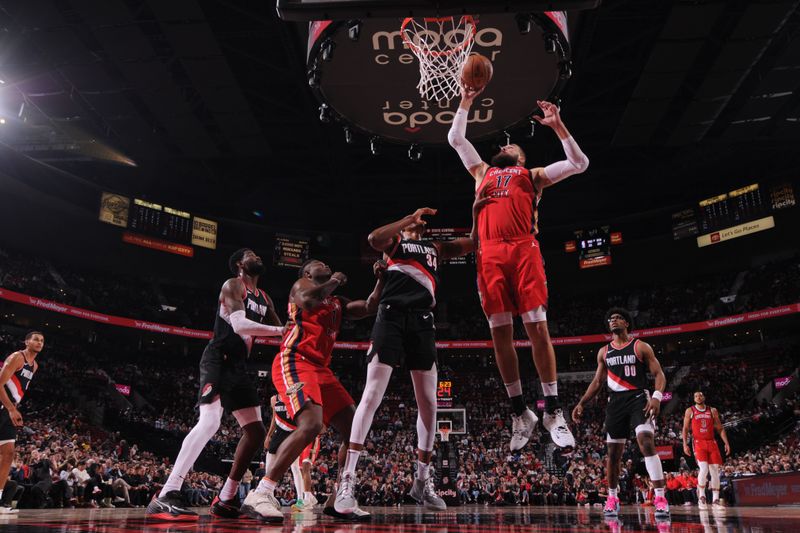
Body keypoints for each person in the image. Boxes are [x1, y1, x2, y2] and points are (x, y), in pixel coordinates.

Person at [448, 88, 590, 450]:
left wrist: (558, 127)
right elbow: (455, 137)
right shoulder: (481, 172)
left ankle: (552, 410)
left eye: (515, 149)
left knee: (537, 329)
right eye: (504, 148)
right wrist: (466, 100)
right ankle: (519, 412)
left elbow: (579, 164)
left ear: (522, 157)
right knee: (500, 335)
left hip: (524, 249)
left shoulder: (532, 176)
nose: (507, 147)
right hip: (489, 254)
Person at [335, 206, 475, 514]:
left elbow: (475, 241)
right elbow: (374, 238)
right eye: (417, 223)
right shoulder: (394, 243)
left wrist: (482, 208)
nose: (422, 225)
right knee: (371, 395)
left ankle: (422, 482)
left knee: (430, 403)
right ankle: (348, 480)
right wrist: (408, 219)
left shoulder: (436, 248)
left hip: (424, 321)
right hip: (391, 318)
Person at [146, 248, 284, 521]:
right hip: (218, 358)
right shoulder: (233, 285)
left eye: (259, 253)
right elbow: (240, 325)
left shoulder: (265, 297)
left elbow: (283, 334)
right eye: (251, 254)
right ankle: (166, 493)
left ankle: (227, 497)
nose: (257, 256)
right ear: (239, 264)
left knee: (255, 433)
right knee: (210, 422)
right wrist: (284, 331)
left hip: (239, 367)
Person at [243, 259, 385, 522]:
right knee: (310, 424)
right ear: (307, 272)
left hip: (321, 369)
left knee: (355, 429)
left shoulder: (336, 301)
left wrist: (381, 278)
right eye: (316, 263)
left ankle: (339, 498)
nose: (324, 263)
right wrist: (335, 281)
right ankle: (262, 491)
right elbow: (309, 301)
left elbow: (368, 307)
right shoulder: (302, 286)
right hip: (295, 359)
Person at [571, 308, 670, 519]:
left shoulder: (640, 346)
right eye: (610, 319)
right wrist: (581, 403)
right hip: (615, 402)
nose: (612, 321)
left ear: (626, 323)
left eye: (617, 318)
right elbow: (597, 382)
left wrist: (657, 396)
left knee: (646, 441)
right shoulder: (604, 352)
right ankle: (612, 497)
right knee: (613, 455)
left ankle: (660, 497)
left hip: (638, 398)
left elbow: (659, 374)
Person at [0, 331, 44, 516]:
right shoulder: (17, 357)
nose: (39, 342)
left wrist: (13, 409)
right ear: (26, 341)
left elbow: (16, 390)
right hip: (3, 407)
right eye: (35, 339)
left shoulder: (34, 366)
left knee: (8, 455)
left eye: (42, 341)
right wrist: (11, 408)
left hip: (9, 410)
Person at [262, 393, 319, 510]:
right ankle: (268, 496)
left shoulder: (297, 397)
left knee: (295, 468)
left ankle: (300, 499)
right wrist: (268, 435)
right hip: (279, 433)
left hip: (293, 433)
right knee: (269, 465)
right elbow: (274, 418)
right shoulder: (274, 399)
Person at [682, 391, 730, 509]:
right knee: (703, 468)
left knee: (714, 471)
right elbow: (685, 428)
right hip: (698, 442)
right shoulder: (690, 410)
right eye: (696, 396)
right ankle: (702, 497)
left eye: (700, 395)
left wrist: (726, 443)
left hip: (712, 442)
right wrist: (684, 444)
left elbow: (720, 428)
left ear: (704, 397)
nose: (698, 397)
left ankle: (715, 500)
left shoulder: (712, 410)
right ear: (694, 399)